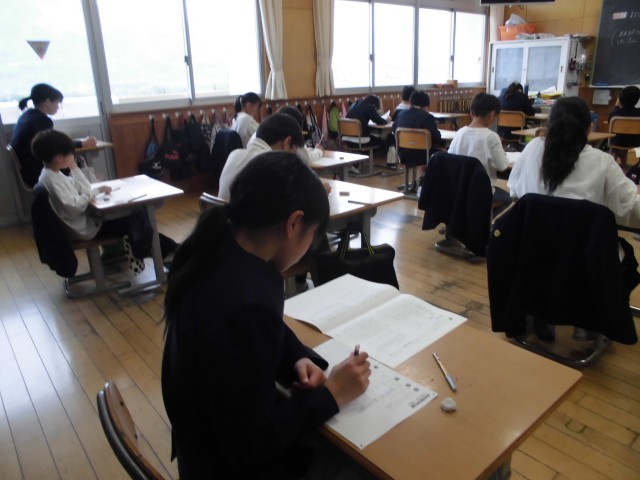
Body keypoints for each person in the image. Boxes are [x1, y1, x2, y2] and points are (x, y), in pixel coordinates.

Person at [161, 151, 371, 479]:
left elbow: (262, 331)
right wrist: (333, 394)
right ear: (294, 223)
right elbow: (250, 444)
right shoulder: (246, 297)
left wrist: (297, 358)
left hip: (201, 447)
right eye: (311, 236)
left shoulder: (215, 248)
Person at [508, 96, 640, 340]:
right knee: (626, 259)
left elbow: (513, 189)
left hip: (532, 254)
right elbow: (631, 210)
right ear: (589, 128)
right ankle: (589, 324)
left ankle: (541, 312)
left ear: (548, 125)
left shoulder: (533, 149)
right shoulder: (603, 162)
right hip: (584, 261)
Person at [32, 129, 177, 271]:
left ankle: (167, 249)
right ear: (59, 158)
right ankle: (166, 251)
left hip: (86, 223)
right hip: (87, 228)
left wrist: (74, 167)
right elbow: (75, 207)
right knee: (137, 220)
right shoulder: (52, 180)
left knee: (135, 216)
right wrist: (97, 191)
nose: (73, 156)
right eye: (70, 154)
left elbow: (86, 187)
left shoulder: (53, 174)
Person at [10, 83, 97, 188]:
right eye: (57, 103)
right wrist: (83, 143)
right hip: (38, 173)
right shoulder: (41, 120)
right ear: (48, 102)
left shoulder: (26, 116)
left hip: (28, 170)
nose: (58, 107)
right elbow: (54, 147)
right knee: (75, 162)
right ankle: (87, 192)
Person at [218, 113, 305, 201]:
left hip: (223, 209)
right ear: (287, 142)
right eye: (295, 150)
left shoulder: (234, 154)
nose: (294, 154)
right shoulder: (273, 164)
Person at [448, 93, 510, 205]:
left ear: (471, 113)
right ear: (492, 114)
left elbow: (450, 159)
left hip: (458, 189)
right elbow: (502, 166)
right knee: (510, 198)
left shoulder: (459, 133)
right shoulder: (491, 137)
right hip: (481, 192)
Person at [608, 85, 640, 164]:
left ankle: (619, 163)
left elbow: (609, 124)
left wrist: (616, 106)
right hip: (636, 142)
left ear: (620, 99)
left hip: (616, 142)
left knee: (617, 139)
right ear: (637, 100)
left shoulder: (614, 113)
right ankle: (632, 165)